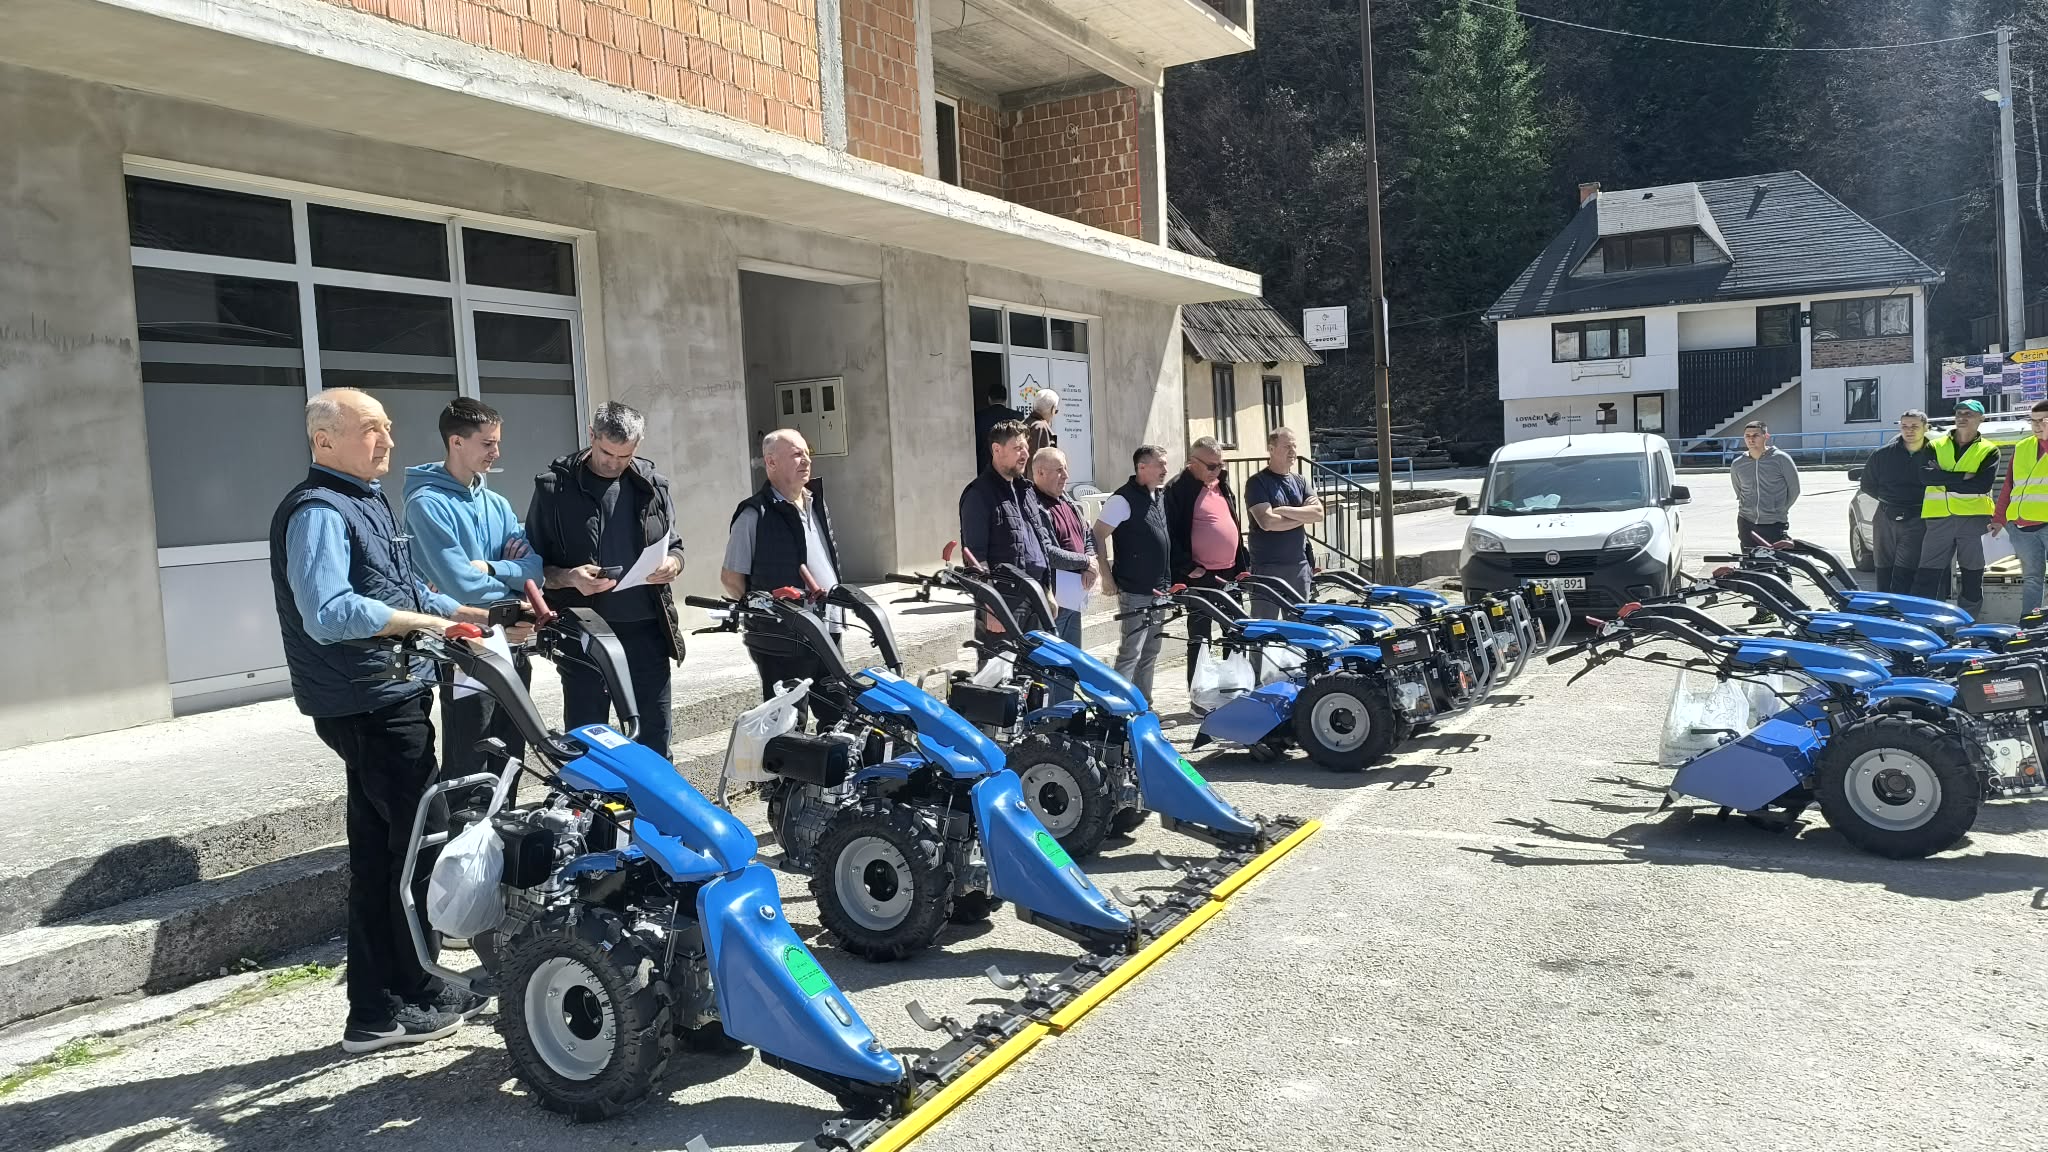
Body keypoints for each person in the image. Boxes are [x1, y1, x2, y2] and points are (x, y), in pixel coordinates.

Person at [271, 388, 497, 1053]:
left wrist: (475, 615)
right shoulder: (318, 511)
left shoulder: (364, 500)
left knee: (382, 858)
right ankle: (397, 1000)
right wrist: (425, 623)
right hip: (368, 704)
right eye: (371, 429)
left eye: (389, 429)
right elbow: (331, 611)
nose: (388, 441)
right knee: (408, 857)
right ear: (325, 440)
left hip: (387, 696)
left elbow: (398, 586)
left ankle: (389, 998)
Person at [403, 398, 544, 806]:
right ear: (456, 442)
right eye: (487, 444)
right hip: (463, 648)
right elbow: (459, 583)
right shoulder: (426, 503)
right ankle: (461, 851)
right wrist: (510, 587)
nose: (496, 453)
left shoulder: (495, 502)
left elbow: (534, 567)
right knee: (471, 753)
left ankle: (501, 840)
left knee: (512, 750)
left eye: (498, 443)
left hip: (512, 642)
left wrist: (493, 568)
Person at [526, 401, 686, 758]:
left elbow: (676, 546)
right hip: (585, 635)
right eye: (606, 452)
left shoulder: (652, 484)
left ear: (638, 446)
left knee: (655, 740)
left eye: (624, 455)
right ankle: (593, 813)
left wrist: (673, 564)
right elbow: (532, 566)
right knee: (588, 742)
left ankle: (652, 813)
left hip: (647, 631)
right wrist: (569, 577)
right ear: (591, 435)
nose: (613, 463)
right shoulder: (555, 488)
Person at [722, 429, 845, 730]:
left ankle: (834, 777)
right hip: (784, 640)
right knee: (788, 726)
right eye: (796, 455)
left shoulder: (816, 502)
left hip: (828, 629)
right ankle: (779, 779)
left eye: (807, 453)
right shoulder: (754, 514)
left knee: (839, 716)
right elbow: (731, 578)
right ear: (771, 463)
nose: (805, 460)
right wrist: (766, 612)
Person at [958, 420, 1085, 653]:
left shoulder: (1026, 490)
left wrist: (1046, 591)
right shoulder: (978, 494)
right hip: (1005, 603)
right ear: (997, 450)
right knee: (1000, 676)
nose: (1025, 454)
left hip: (1035, 595)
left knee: (1034, 676)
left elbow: (1041, 545)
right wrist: (991, 606)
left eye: (1026, 447)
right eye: (1018, 448)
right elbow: (975, 557)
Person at [1166, 436, 1250, 690]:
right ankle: (1199, 692)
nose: (1218, 470)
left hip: (1229, 573)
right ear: (1193, 463)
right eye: (1212, 466)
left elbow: (1233, 523)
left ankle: (1233, 686)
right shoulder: (1178, 489)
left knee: (1235, 631)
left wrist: (1242, 565)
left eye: (1221, 465)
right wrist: (1187, 567)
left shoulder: (1221, 484)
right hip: (1200, 576)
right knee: (1200, 638)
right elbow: (1170, 533)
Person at [1094, 444, 1172, 700]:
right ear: (1142, 467)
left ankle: (1143, 706)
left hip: (1159, 588)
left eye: (1165, 464)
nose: (1165, 469)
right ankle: (1117, 708)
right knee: (1131, 651)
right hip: (1134, 588)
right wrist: (1106, 574)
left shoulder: (1158, 495)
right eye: (1159, 464)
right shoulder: (1122, 499)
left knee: (1151, 651)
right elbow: (1097, 535)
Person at [1915, 399, 2002, 612]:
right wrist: (1964, 476)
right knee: (1928, 574)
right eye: (1959, 413)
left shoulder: (1989, 450)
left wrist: (1942, 478)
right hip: (1938, 519)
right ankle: (1926, 621)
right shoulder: (1934, 445)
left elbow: (1982, 484)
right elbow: (1925, 477)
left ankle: (1968, 625)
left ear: (1981, 419)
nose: (1962, 417)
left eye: (1969, 414)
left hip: (1974, 520)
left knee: (1972, 575)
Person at [1028, 446, 1097, 704]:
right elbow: (1048, 552)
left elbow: (1087, 534)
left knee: (1071, 662)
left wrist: (1092, 562)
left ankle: (1066, 714)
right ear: (1040, 472)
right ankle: (1048, 718)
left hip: (1074, 595)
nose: (1065, 475)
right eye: (1059, 470)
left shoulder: (1066, 499)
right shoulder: (1035, 506)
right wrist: (1085, 562)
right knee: (1050, 664)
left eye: (1065, 468)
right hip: (1052, 599)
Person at [1243, 428, 1323, 619]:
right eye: (1287, 446)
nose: (1293, 451)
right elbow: (1267, 522)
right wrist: (1303, 515)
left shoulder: (1301, 481)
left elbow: (1318, 514)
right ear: (1271, 449)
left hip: (1299, 567)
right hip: (1267, 568)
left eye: (1294, 446)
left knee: (1299, 629)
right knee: (1264, 630)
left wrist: (1284, 511)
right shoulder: (1257, 483)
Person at [1856, 409, 1933, 594]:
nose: (1909, 430)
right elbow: (1867, 484)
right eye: (1905, 426)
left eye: (1915, 426)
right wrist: (1889, 500)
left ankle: (1902, 611)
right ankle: (1885, 609)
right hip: (1885, 515)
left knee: (1906, 567)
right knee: (1883, 566)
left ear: (1925, 427)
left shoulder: (1936, 454)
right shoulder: (1882, 455)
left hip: (1919, 516)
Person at [1992, 399, 2048, 614]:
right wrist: (1999, 518)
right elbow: (2008, 485)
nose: (2035, 426)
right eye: (2032, 421)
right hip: (2022, 527)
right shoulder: (2023, 447)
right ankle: (2029, 624)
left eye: (2042, 421)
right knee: (2032, 578)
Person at [1730, 420, 1801, 550]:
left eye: (1755, 435)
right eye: (1747, 436)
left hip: (1774, 523)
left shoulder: (1781, 459)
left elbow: (1794, 490)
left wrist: (1780, 510)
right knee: (1749, 563)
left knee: (1775, 563)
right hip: (1746, 522)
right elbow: (1739, 490)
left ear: (1766, 436)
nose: (1751, 439)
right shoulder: (1738, 464)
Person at [973, 381, 1021, 475]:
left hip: (985, 467)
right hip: (1011, 466)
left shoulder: (979, 417)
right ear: (1006, 399)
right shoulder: (1017, 417)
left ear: (989, 399)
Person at [1025, 390, 1060, 456]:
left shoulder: (1026, 423)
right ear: (1052, 410)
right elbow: (1037, 461)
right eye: (1056, 411)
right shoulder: (1040, 428)